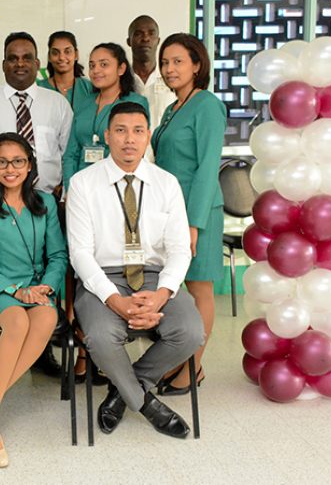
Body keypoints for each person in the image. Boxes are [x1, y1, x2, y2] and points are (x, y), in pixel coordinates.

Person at [66, 101, 204, 439]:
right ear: (107, 136)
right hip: (103, 279)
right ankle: (146, 405)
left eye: (138, 131)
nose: (130, 139)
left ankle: (124, 391)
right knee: (99, 337)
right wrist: (115, 301)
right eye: (121, 131)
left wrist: (161, 295)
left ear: (147, 139)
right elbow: (80, 254)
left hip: (156, 278)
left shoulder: (166, 183)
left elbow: (178, 249)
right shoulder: (83, 183)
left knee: (190, 332)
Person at [0, 31, 72, 377]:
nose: (20, 63)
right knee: (3, 281)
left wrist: (62, 196)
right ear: (4, 63)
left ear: (38, 63)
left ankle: (39, 354)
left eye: (27, 57)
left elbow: (67, 153)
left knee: (44, 264)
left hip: (45, 203)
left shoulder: (57, 104)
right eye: (12, 57)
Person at [0, 133, 67, 468]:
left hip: (36, 289)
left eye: (18, 161)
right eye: (1, 162)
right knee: (18, 321)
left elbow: (59, 256)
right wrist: (15, 291)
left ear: (30, 165)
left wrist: (45, 288)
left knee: (47, 318)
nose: (10, 169)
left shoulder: (45, 203)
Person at [151, 33, 226, 394]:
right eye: (165, 62)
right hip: (170, 213)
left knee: (199, 289)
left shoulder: (207, 105)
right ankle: (181, 360)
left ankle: (193, 367)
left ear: (197, 65)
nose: (169, 69)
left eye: (178, 61)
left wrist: (194, 223)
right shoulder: (172, 108)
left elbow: (208, 167)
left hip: (198, 213)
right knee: (177, 288)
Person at [62, 43, 150, 191]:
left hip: (117, 184)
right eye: (92, 66)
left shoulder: (135, 102)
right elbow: (71, 153)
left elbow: (137, 150)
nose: (96, 70)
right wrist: (71, 188)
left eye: (103, 64)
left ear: (121, 69)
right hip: (82, 184)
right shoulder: (84, 104)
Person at [126, 15, 177, 161]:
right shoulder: (120, 81)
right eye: (138, 34)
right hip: (129, 163)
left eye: (151, 33)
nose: (145, 38)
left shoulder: (173, 81)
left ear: (158, 40)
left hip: (167, 162)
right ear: (129, 41)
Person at [36, 31, 95, 113]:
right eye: (55, 53)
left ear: (76, 54)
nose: (62, 57)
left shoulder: (89, 88)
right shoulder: (39, 88)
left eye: (67, 52)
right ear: (49, 56)